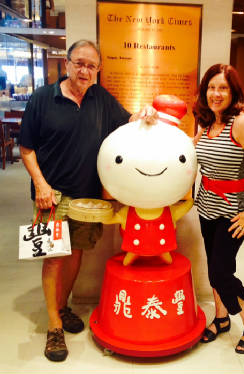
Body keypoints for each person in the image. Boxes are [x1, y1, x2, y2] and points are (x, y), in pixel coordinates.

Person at [19, 39, 157, 362]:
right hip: (51, 197)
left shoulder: (100, 99)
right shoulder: (42, 99)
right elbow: (26, 148)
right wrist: (40, 183)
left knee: (76, 253)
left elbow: (128, 121)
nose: (84, 70)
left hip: (88, 198)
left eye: (91, 66)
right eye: (79, 63)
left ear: (97, 70)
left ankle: (63, 306)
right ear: (66, 64)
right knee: (54, 258)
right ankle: (54, 326)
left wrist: (146, 113)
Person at [193, 64, 244, 354]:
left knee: (220, 273)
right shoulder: (205, 121)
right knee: (214, 266)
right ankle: (221, 318)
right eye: (211, 87)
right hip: (206, 206)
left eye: (223, 88)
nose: (216, 94)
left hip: (234, 213)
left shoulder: (241, 123)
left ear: (233, 91)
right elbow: (195, 157)